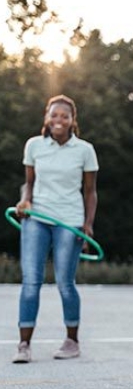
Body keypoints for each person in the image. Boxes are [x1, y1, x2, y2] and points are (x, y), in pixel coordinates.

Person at [12, 94, 99, 364]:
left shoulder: (84, 150)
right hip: (36, 217)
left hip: (69, 221)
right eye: (54, 115)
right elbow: (29, 183)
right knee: (30, 282)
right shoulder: (34, 146)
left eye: (64, 115)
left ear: (73, 120)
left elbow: (90, 192)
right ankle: (24, 345)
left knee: (65, 282)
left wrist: (87, 226)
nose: (58, 120)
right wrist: (25, 200)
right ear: (46, 118)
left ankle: (72, 341)